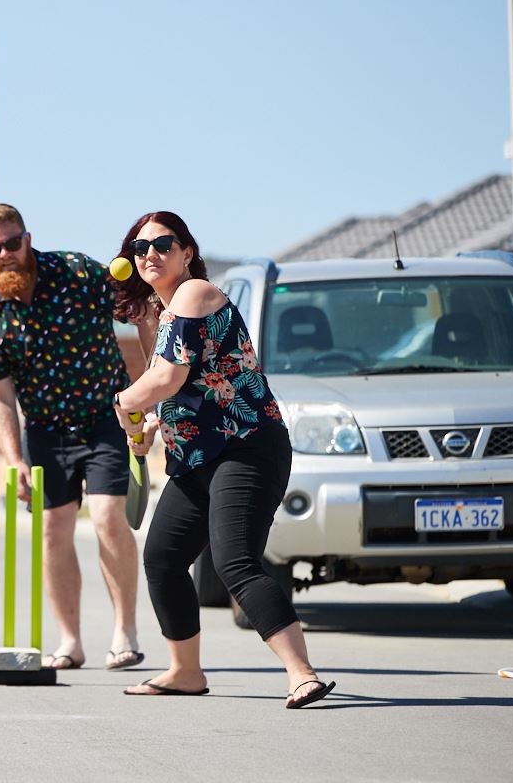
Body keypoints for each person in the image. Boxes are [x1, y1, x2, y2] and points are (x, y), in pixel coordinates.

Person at [110, 211, 335, 708]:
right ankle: (185, 672)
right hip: (197, 460)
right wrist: (151, 425)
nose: (149, 254)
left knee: (235, 560)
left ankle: (302, 673)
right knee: (164, 559)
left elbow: (166, 378)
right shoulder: (163, 312)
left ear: (187, 252)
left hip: (247, 448)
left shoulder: (194, 293)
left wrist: (125, 402)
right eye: (139, 248)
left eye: (163, 245)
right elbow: (180, 390)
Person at [0, 203, 143, 671]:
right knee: (53, 532)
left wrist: (150, 393)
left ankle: (124, 631)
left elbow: (139, 310)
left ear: (27, 238)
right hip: (46, 431)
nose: (5, 253)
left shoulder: (77, 272)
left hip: (105, 417)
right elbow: (0, 398)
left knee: (108, 517)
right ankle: (70, 641)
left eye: (12, 241)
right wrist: (13, 457)